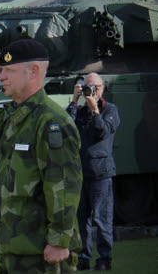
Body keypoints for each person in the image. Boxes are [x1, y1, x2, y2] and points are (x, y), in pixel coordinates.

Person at [0, 39, 82, 273]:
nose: (0, 77)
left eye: (8, 71)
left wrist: (59, 241)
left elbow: (63, 185)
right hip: (13, 247)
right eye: (1, 71)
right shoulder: (10, 118)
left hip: (42, 252)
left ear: (34, 72)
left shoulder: (51, 122)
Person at [67, 73, 119, 271]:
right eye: (87, 87)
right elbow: (66, 126)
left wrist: (95, 110)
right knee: (82, 221)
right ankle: (83, 258)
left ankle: (105, 259)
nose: (91, 90)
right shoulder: (79, 111)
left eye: (95, 87)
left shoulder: (110, 109)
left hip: (100, 174)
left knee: (102, 219)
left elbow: (103, 132)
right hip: (81, 173)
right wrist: (74, 100)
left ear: (102, 88)